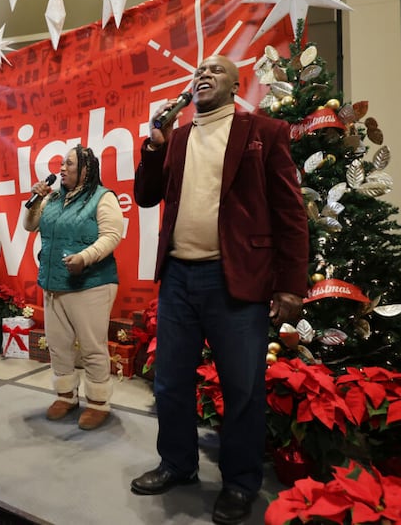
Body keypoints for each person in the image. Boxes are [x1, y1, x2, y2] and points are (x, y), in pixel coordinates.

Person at [130, 55, 309, 525]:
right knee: (170, 381)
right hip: (179, 278)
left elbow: (290, 213)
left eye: (215, 70)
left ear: (235, 85)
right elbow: (146, 196)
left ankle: (240, 482)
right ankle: (177, 464)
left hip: (237, 278)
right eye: (199, 71)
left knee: (242, 387)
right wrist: (154, 147)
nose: (204, 75)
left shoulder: (264, 132)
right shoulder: (177, 137)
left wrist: (290, 285)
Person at [24, 145, 123, 430]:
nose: (62, 169)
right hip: (54, 283)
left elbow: (112, 235)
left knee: (92, 347)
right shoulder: (53, 198)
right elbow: (30, 225)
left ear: (86, 169)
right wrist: (35, 201)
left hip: (91, 284)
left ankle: (98, 402)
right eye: (61, 164)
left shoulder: (103, 197)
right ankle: (65, 395)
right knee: (58, 345)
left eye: (69, 164)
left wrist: (85, 258)